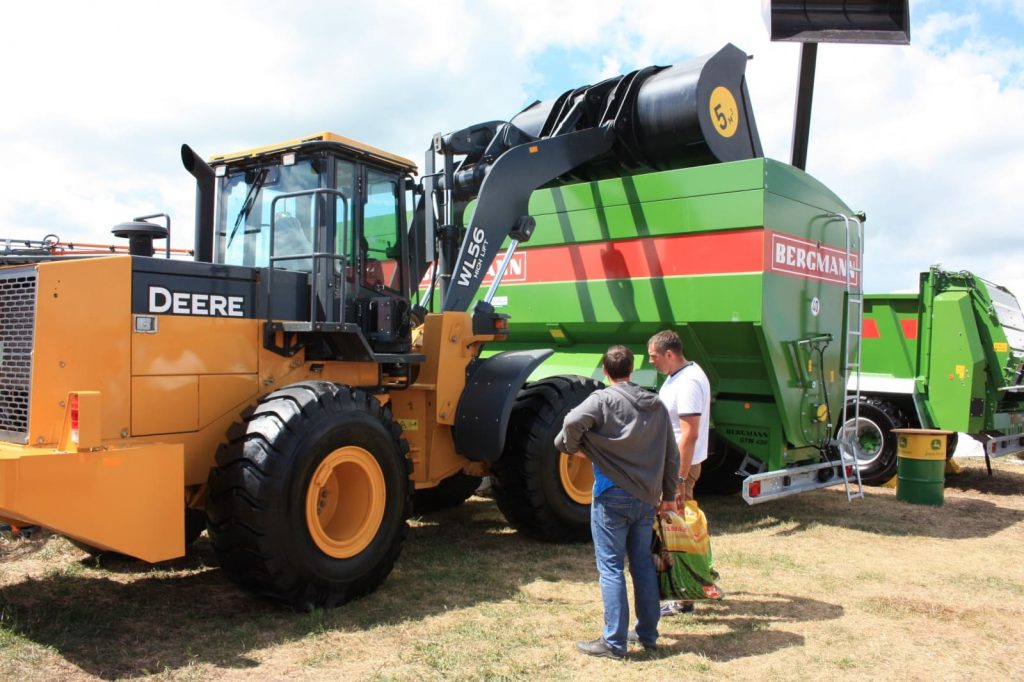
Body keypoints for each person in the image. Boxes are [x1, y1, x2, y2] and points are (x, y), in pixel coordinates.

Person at [555, 345, 679, 659]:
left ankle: (613, 642)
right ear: (632, 370)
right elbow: (671, 455)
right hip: (646, 498)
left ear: (606, 371)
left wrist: (575, 449)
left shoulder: (603, 399)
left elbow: (571, 422)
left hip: (611, 496)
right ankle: (648, 634)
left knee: (611, 568)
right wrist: (669, 498)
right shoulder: (656, 403)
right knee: (642, 565)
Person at [647, 329, 712, 616]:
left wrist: (678, 480)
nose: (651, 362)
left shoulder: (689, 382)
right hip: (671, 468)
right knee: (670, 533)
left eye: (653, 357)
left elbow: (690, 435)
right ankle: (678, 592)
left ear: (669, 354)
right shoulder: (677, 376)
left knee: (677, 534)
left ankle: (683, 597)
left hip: (678, 471)